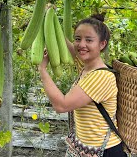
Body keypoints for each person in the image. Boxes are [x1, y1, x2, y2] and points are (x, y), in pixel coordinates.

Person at [38, 14, 127, 157]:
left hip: (104, 152)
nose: (81, 44)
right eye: (78, 39)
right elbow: (67, 45)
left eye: (89, 40)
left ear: (102, 44)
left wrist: (42, 70)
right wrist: (49, 17)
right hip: (86, 149)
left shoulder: (100, 76)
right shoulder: (86, 66)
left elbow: (62, 105)